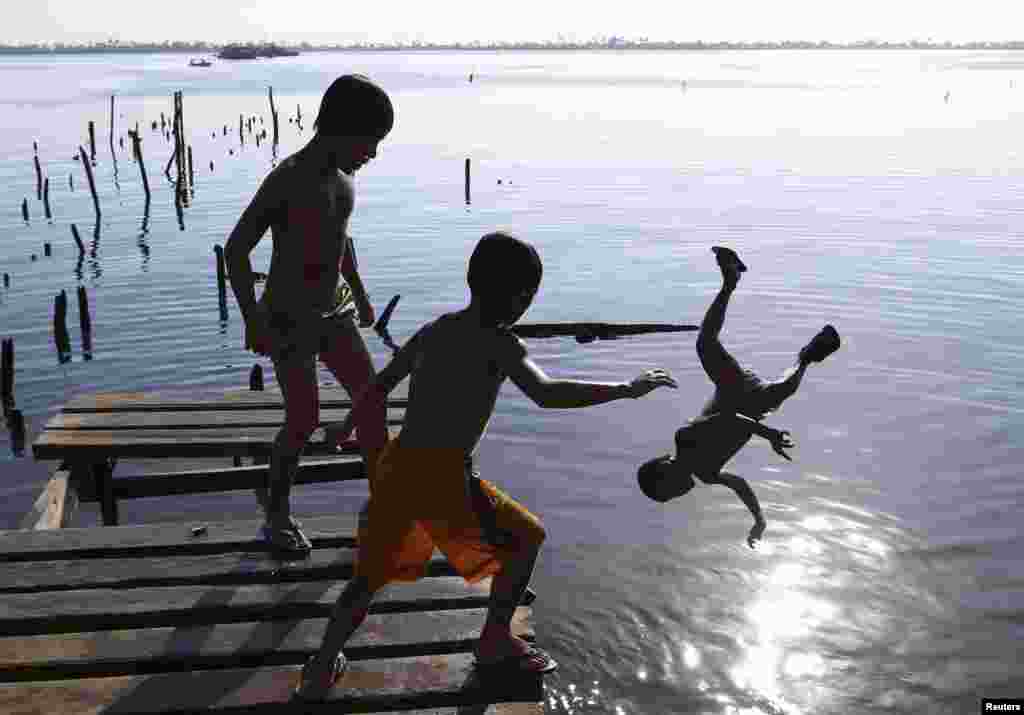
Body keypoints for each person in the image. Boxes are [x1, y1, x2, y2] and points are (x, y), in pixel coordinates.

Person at [293, 232, 678, 700]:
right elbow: (547, 393)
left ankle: (322, 661)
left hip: (400, 470)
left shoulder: (436, 329)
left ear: (471, 280)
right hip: (443, 480)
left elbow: (381, 384)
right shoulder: (502, 344)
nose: (528, 305)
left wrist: (346, 426)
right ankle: (494, 638)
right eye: (528, 296)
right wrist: (624, 388)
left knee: (367, 578)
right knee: (526, 538)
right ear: (518, 297)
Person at [224, 74, 394, 552]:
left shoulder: (345, 179)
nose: (373, 154)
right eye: (370, 141)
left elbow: (342, 239)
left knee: (373, 402)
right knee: (303, 418)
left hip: (335, 313)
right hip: (288, 318)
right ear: (341, 128)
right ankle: (276, 515)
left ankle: (384, 513)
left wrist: (359, 292)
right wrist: (251, 318)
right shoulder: (290, 177)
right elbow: (236, 250)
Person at [637, 246, 841, 548]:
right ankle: (808, 356)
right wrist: (759, 518)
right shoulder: (706, 473)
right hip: (756, 406)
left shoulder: (685, 438)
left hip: (733, 389)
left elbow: (731, 420)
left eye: (669, 492)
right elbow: (740, 485)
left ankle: (729, 281)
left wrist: (769, 434)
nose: (678, 495)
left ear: (664, 468)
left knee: (705, 343)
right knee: (785, 389)